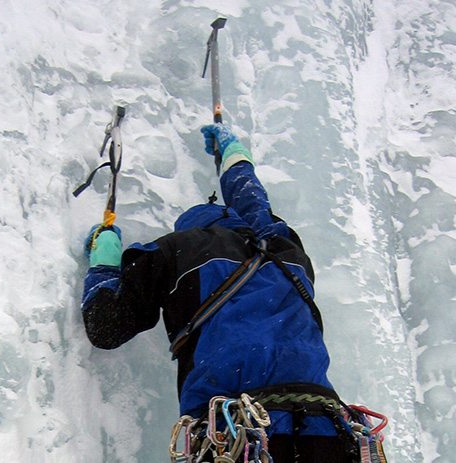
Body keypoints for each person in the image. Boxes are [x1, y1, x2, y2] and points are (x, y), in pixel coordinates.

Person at [80, 123, 351, 462]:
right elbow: (252, 200)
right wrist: (232, 152)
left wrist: (104, 256)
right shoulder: (283, 251)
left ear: (192, 229)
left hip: (236, 432)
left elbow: (105, 327)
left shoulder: (179, 250)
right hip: (320, 426)